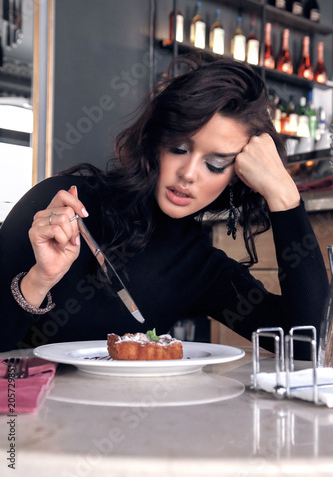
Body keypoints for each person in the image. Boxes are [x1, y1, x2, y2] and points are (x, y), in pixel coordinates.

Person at [0, 54, 328, 356]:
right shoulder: (59, 206)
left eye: (214, 164)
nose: (187, 174)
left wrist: (285, 195)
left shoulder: (197, 264)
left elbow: (303, 341)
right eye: (180, 147)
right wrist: (39, 279)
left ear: (235, 175)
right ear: (158, 141)